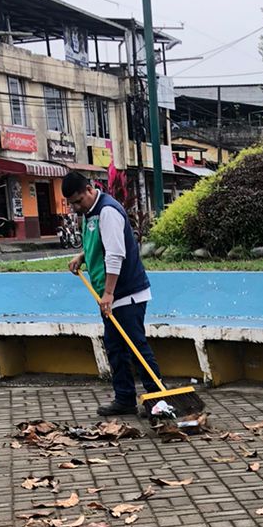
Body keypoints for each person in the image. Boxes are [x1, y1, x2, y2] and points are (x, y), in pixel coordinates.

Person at [63, 170, 159, 416]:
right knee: (115, 348)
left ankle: (158, 399)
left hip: (126, 293)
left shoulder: (107, 211)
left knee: (136, 347)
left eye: (78, 201)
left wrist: (108, 293)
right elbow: (101, 242)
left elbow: (115, 254)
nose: (76, 207)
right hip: (110, 296)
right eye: (72, 204)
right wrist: (82, 256)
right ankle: (125, 398)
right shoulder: (90, 212)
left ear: (89, 189)